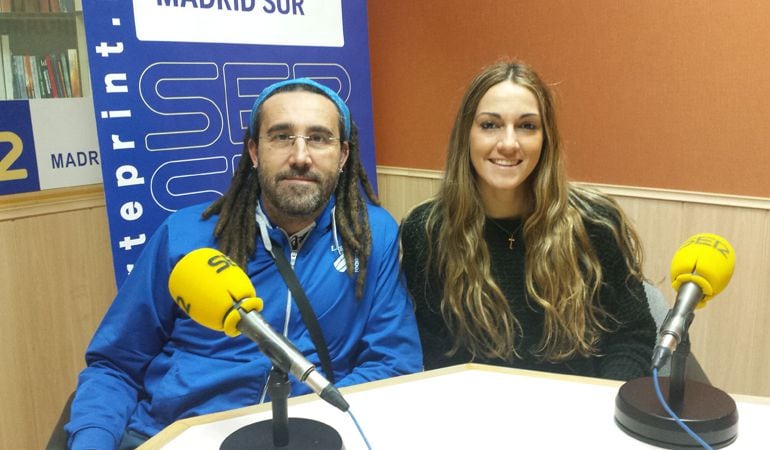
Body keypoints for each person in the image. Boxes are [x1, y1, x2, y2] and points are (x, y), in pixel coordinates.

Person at [66, 78, 423, 449]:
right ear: (254, 151)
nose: (300, 156)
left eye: (319, 138)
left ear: (344, 154)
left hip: (305, 434)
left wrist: (304, 421)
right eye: (281, 136)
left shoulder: (371, 235)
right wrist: (92, 441)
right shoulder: (184, 235)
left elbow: (394, 361)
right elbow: (115, 365)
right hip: (178, 432)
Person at [400, 60, 656, 381]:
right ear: (467, 135)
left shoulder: (597, 224)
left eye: (527, 126)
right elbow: (432, 350)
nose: (508, 143)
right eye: (490, 125)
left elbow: (632, 337)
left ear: (545, 139)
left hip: (580, 414)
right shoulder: (426, 231)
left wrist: (600, 407)